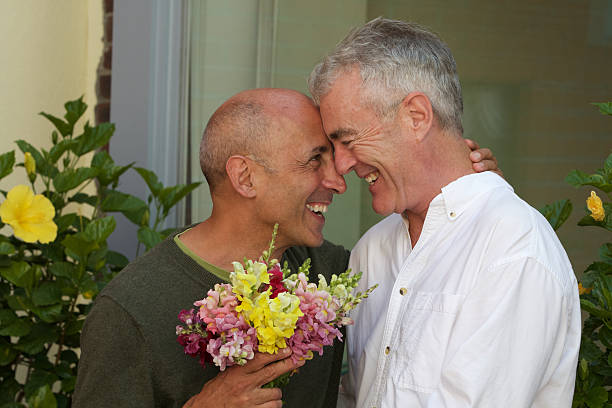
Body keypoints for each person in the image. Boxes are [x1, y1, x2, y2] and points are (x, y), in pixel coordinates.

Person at [73, 88, 497, 408]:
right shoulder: (130, 311)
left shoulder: (337, 274)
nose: (337, 181)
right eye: (315, 160)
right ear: (245, 178)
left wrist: (461, 188)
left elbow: (428, 280)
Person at [309, 18, 581, 408]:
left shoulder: (512, 251)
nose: (341, 165)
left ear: (416, 117)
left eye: (347, 140)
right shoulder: (372, 251)